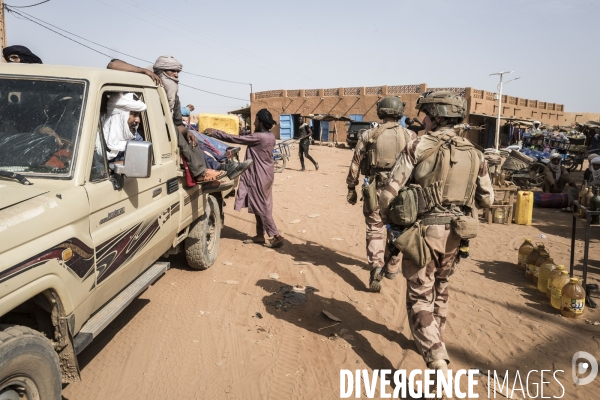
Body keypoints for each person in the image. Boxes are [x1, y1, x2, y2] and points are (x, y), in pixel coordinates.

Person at [379, 91, 494, 379]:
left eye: (427, 115)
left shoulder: (418, 146)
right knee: (441, 287)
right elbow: (488, 199)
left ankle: (437, 363)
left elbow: (388, 194)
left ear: (437, 116)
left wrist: (390, 224)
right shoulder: (475, 153)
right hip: (457, 234)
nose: (425, 120)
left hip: (424, 235)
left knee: (419, 296)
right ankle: (435, 337)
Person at [107, 57, 228, 184]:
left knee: (191, 137)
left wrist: (187, 133)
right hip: (145, 132)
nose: (176, 75)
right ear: (161, 71)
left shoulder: (173, 96)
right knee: (173, 130)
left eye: (178, 72)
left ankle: (204, 171)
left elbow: (177, 123)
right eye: (172, 71)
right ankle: (203, 171)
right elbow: (113, 64)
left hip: (159, 132)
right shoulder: (144, 79)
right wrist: (143, 71)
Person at [346, 95, 415, 289]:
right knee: (398, 228)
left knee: (375, 228)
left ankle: (376, 265)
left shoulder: (369, 135)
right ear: (400, 112)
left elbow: (355, 164)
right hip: (401, 190)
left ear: (380, 112)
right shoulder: (411, 136)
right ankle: (392, 267)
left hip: (376, 188)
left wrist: (351, 187)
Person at [207, 109, 284, 248]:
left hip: (259, 176)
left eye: (255, 120)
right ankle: (260, 236)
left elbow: (235, 139)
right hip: (266, 174)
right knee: (258, 204)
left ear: (260, 122)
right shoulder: (270, 136)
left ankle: (276, 236)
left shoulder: (259, 137)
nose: (253, 122)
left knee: (262, 206)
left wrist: (215, 132)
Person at [101, 92, 146, 162]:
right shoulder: (98, 137)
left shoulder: (136, 139)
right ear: (121, 116)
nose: (138, 120)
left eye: (138, 115)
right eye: (134, 115)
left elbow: (135, 163)